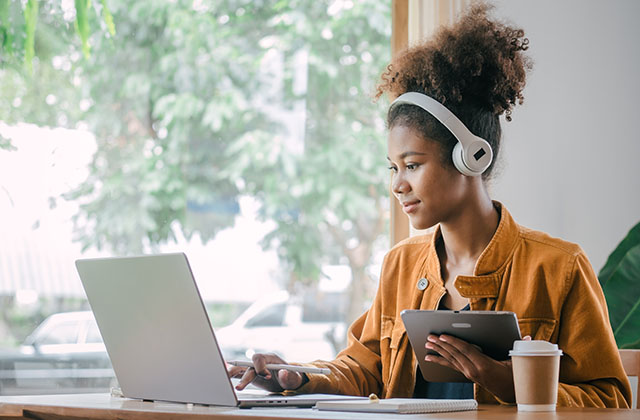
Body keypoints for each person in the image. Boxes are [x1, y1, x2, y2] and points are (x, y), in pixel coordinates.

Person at [228, 3, 631, 407]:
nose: (398, 185)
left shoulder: (557, 269)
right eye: (393, 168)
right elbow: (365, 369)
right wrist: (299, 377)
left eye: (413, 165)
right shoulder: (400, 265)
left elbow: (610, 399)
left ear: (471, 158)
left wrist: (506, 381)